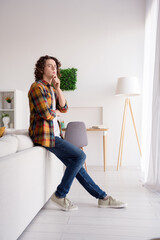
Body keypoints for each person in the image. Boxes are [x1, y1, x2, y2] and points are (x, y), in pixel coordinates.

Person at [28, 55, 127, 211]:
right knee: (80, 156)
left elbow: (65, 108)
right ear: (41, 69)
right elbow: (46, 114)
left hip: (54, 135)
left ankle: (103, 197)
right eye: (49, 66)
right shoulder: (37, 87)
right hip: (45, 136)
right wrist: (57, 114)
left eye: (55, 66)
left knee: (78, 167)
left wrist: (58, 88)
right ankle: (60, 195)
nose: (54, 68)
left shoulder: (51, 89)